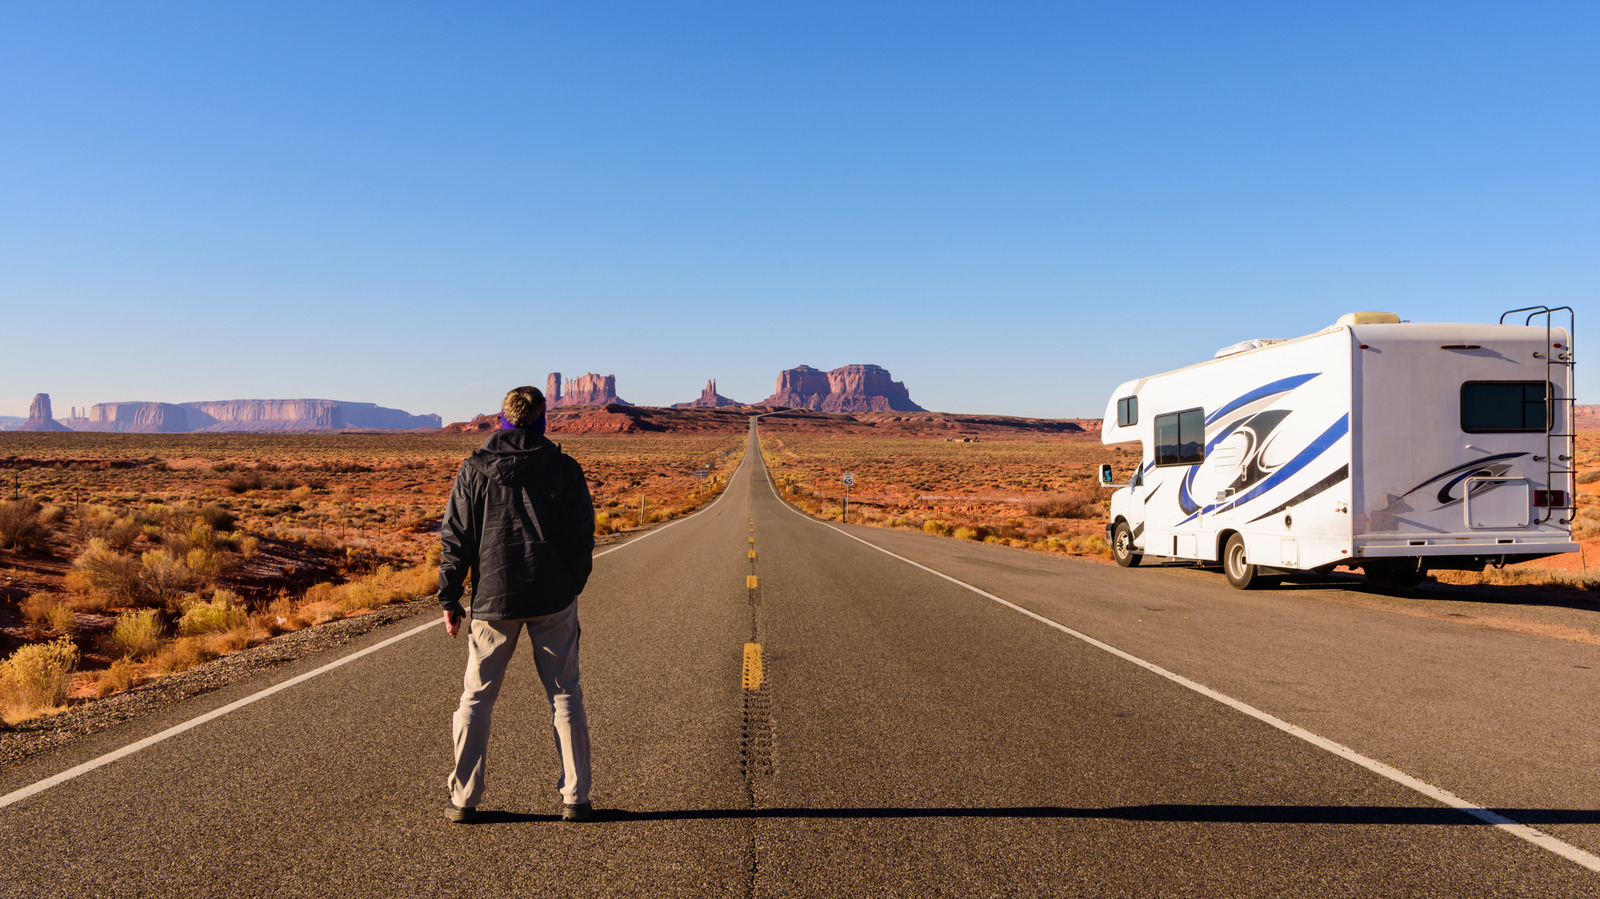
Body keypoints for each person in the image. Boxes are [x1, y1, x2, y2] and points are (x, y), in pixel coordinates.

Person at [437, 385, 597, 824]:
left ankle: (464, 801)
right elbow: (582, 536)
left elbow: (457, 539)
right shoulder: (564, 468)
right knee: (565, 695)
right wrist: (571, 585)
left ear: (502, 419)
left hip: (493, 599)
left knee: (475, 699)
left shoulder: (474, 469)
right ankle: (576, 798)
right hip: (552, 599)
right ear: (543, 419)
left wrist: (450, 596)